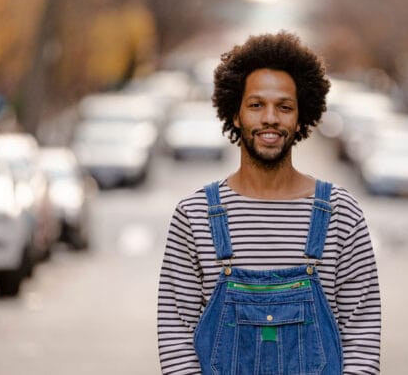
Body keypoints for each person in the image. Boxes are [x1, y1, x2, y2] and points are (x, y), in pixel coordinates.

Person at [157, 32, 381, 374]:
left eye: (284, 107)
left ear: (301, 117)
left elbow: (362, 336)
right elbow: (175, 334)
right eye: (256, 105)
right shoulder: (195, 214)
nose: (270, 119)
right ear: (235, 114)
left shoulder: (341, 213)